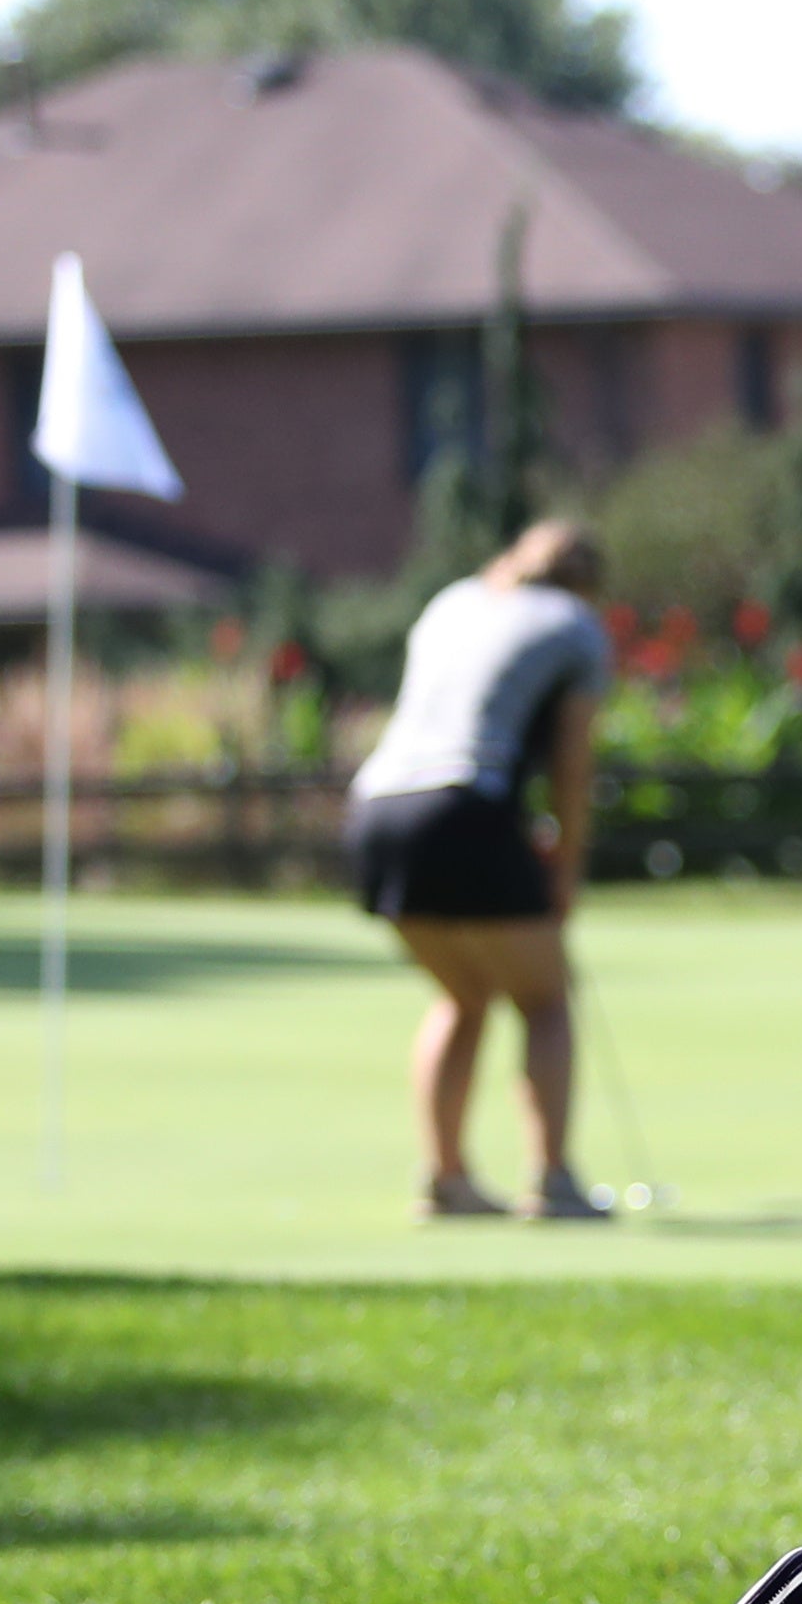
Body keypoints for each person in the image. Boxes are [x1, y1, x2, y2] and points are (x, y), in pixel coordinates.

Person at [344, 517, 615, 1221]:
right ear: (585, 581)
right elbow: (572, 760)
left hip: (376, 812)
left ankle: (445, 1178)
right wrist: (567, 864)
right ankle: (553, 1181)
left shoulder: (453, 601)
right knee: (546, 997)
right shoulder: (577, 627)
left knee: (462, 995)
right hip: (462, 806)